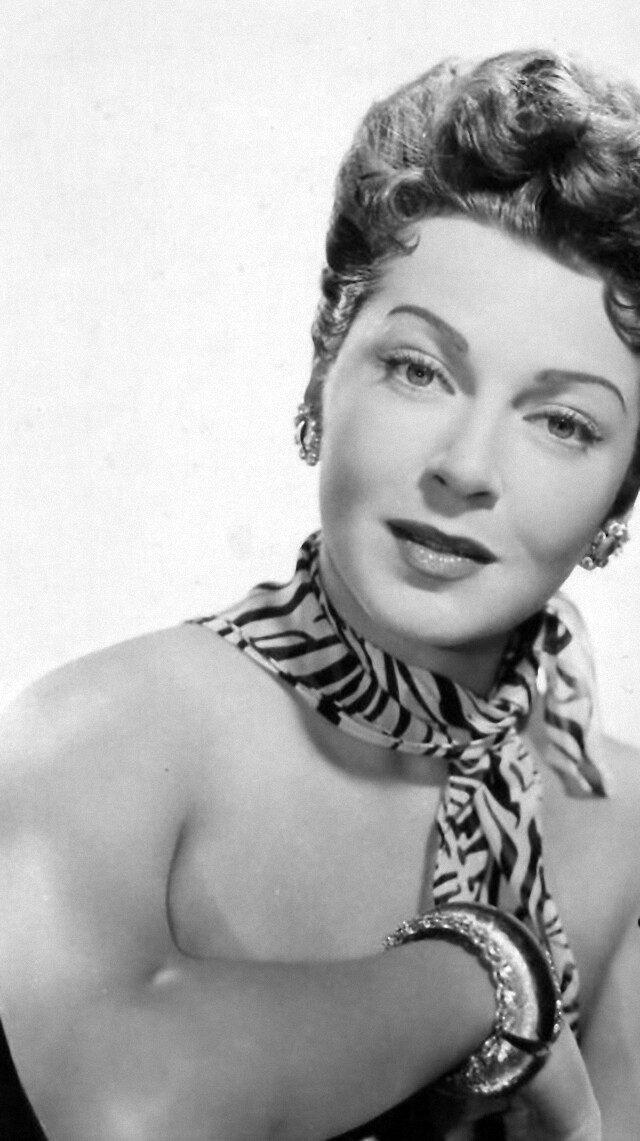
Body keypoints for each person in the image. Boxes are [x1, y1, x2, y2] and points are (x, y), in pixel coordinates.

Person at [0, 46, 639, 1141]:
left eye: (563, 422)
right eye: (419, 369)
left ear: (621, 495)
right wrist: (492, 976)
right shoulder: (106, 732)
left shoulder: (621, 825)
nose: (466, 465)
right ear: (321, 372)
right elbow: (130, 1109)